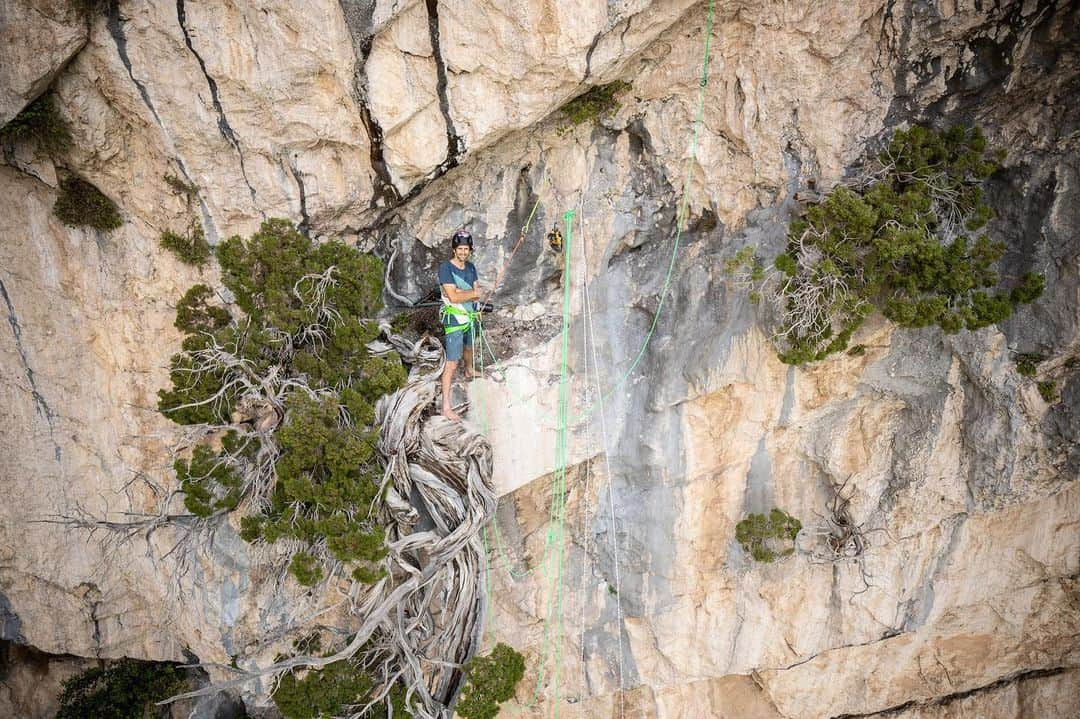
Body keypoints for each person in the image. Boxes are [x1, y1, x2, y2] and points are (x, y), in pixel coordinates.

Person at [439, 229, 482, 420]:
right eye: (460, 248)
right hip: (455, 319)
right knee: (452, 362)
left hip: (471, 316)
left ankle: (470, 369)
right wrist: (473, 295)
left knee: (470, 345)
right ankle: (446, 407)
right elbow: (453, 297)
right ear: (454, 249)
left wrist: (475, 300)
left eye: (466, 249)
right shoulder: (446, 269)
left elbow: (476, 289)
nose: (463, 252)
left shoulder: (471, 267)